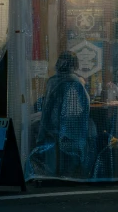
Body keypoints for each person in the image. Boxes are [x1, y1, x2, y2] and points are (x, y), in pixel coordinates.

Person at [27, 51, 93, 179]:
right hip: (72, 126)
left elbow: (46, 106)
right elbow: (82, 108)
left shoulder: (52, 81)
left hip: (52, 125)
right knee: (93, 131)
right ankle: (80, 170)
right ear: (75, 65)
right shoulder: (76, 81)